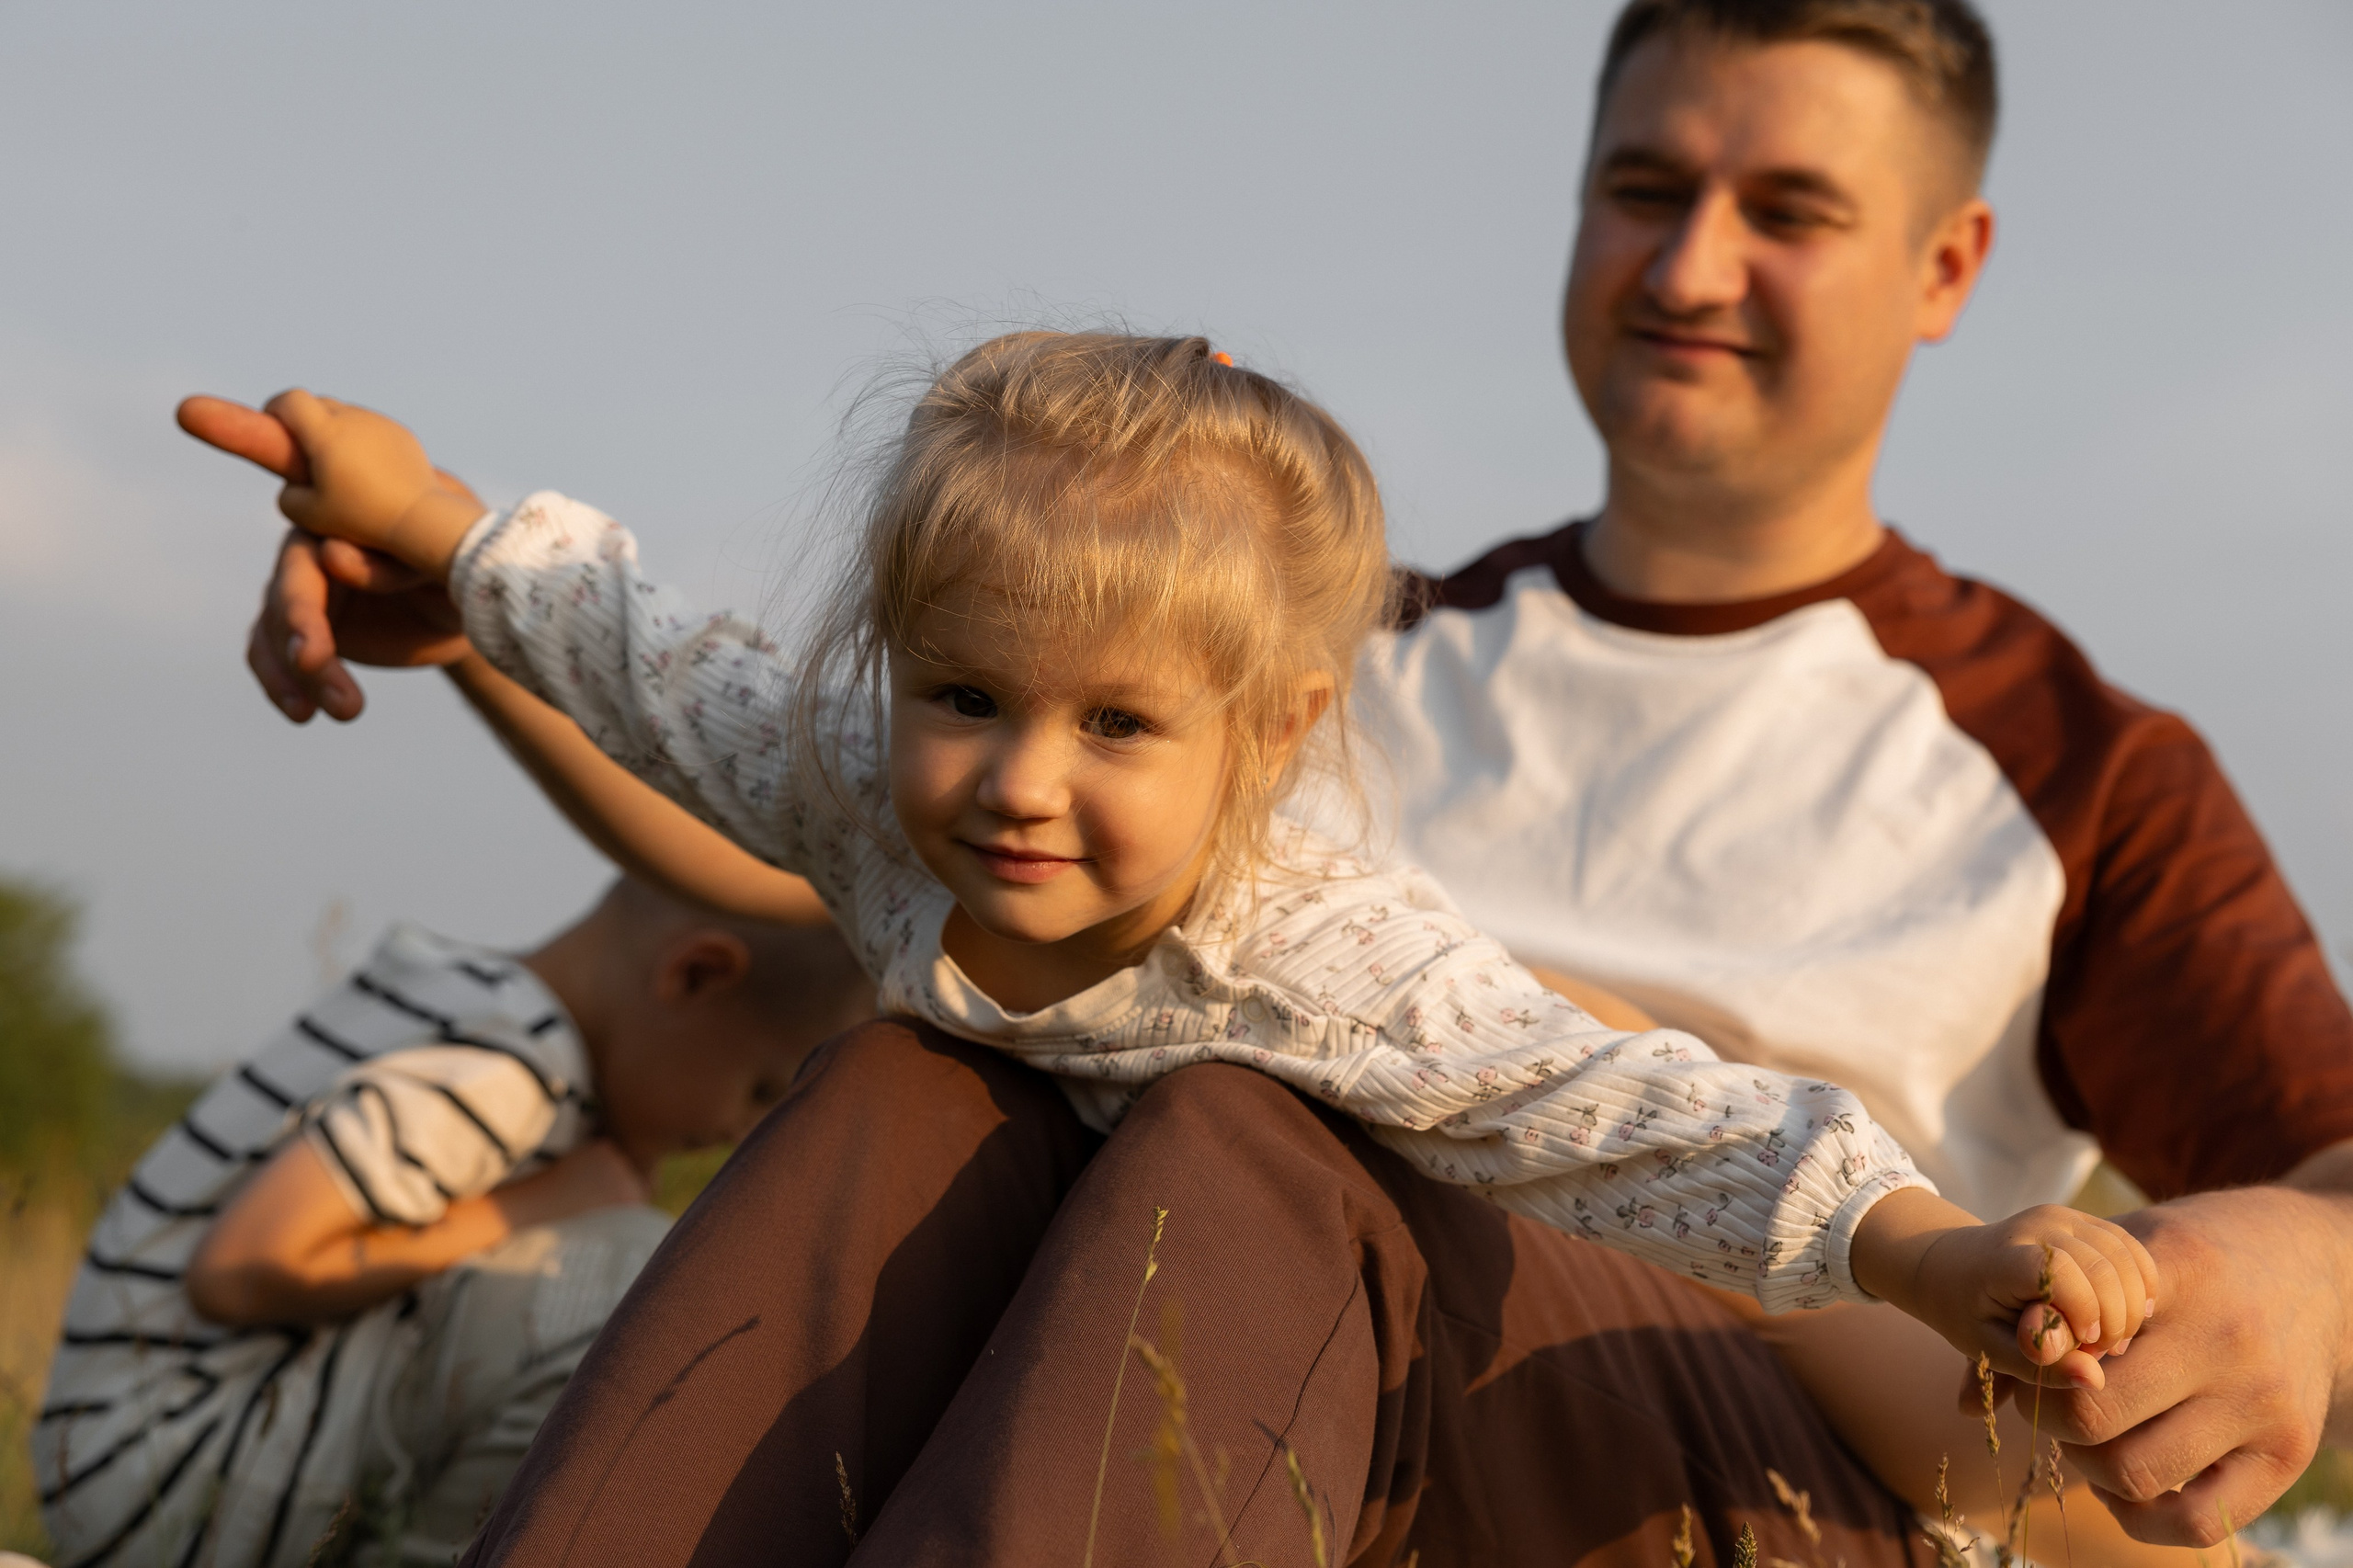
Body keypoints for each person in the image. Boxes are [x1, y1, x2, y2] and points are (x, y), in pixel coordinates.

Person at [200, 2, 2353, 1560]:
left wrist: (2295, 1259)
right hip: (1238, 1422)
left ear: (1944, 264)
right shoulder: (1271, 657)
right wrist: (467, 606)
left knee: (1260, 1119)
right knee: (924, 1079)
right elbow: (838, 823)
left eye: (1783, 209)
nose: (1691, 265)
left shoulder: (2066, 761)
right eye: (1643, 188)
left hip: (1738, 1463)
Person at [35, 876, 870, 1568]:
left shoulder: (479, 1005)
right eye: (760, 1089)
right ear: (695, 976)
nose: (739, 1131)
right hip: (172, 1475)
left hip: (132, 1466)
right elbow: (240, 1268)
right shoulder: (506, 1068)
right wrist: (534, 1206)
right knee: (622, 1281)